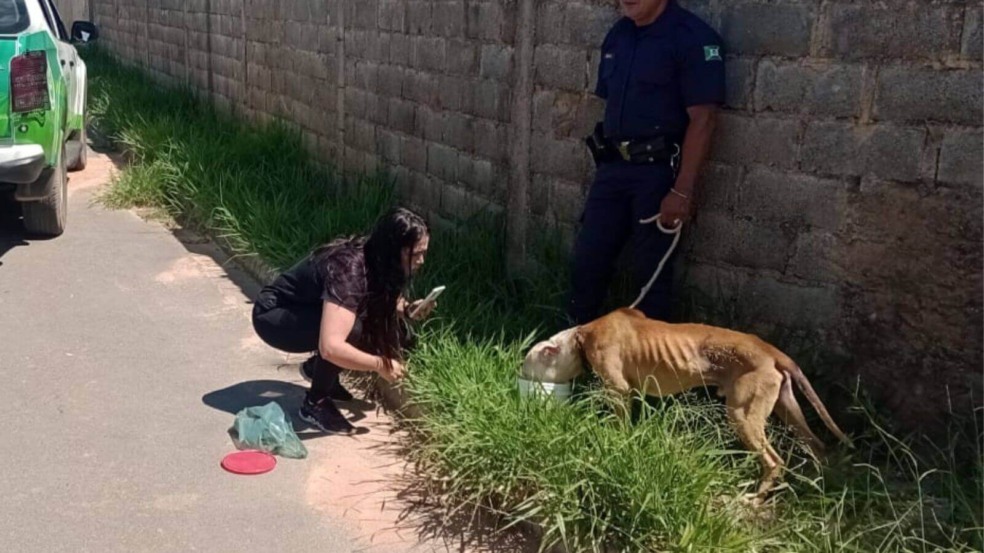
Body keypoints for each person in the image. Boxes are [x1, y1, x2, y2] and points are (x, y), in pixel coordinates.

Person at [569, 0, 725, 325]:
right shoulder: (618, 36)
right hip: (613, 169)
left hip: (657, 175)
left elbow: (704, 119)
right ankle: (570, 350)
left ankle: (649, 369)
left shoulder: (692, 37)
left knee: (650, 276)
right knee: (588, 260)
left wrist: (682, 192)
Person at [251, 207, 435, 434]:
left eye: (424, 252)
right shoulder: (348, 270)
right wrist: (380, 365)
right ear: (395, 249)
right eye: (416, 254)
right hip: (273, 316)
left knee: (400, 333)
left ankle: (315, 369)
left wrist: (406, 309)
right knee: (351, 331)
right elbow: (331, 346)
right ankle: (314, 403)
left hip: (306, 309)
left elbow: (378, 291)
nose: (422, 260)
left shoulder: (377, 256)